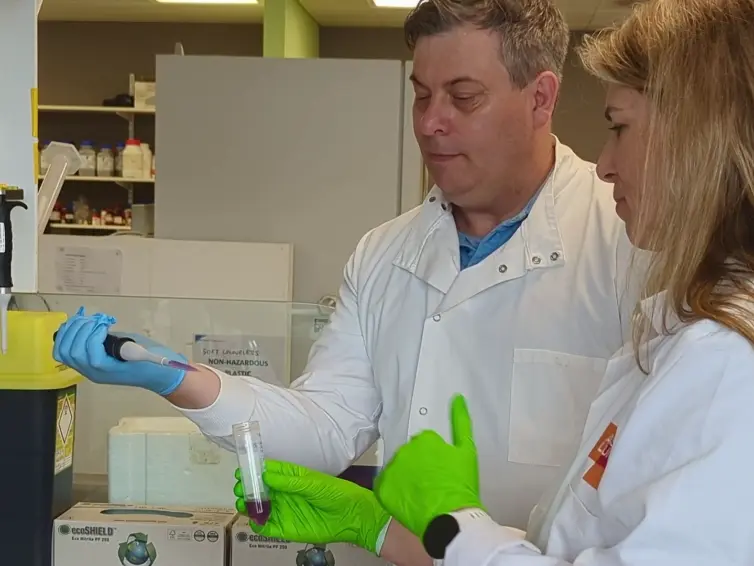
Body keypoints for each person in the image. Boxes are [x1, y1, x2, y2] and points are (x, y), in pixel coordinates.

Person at [52, 1, 635, 563]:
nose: (431, 123)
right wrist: (180, 378)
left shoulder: (628, 242)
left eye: (463, 98)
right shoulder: (385, 252)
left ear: (540, 97)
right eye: (422, 96)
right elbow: (327, 425)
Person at [240, 0, 754, 564]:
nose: (606, 164)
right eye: (422, 95)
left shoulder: (724, 360)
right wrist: (379, 529)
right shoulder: (685, 338)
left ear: (699, 142)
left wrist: (453, 520)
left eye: (620, 127)